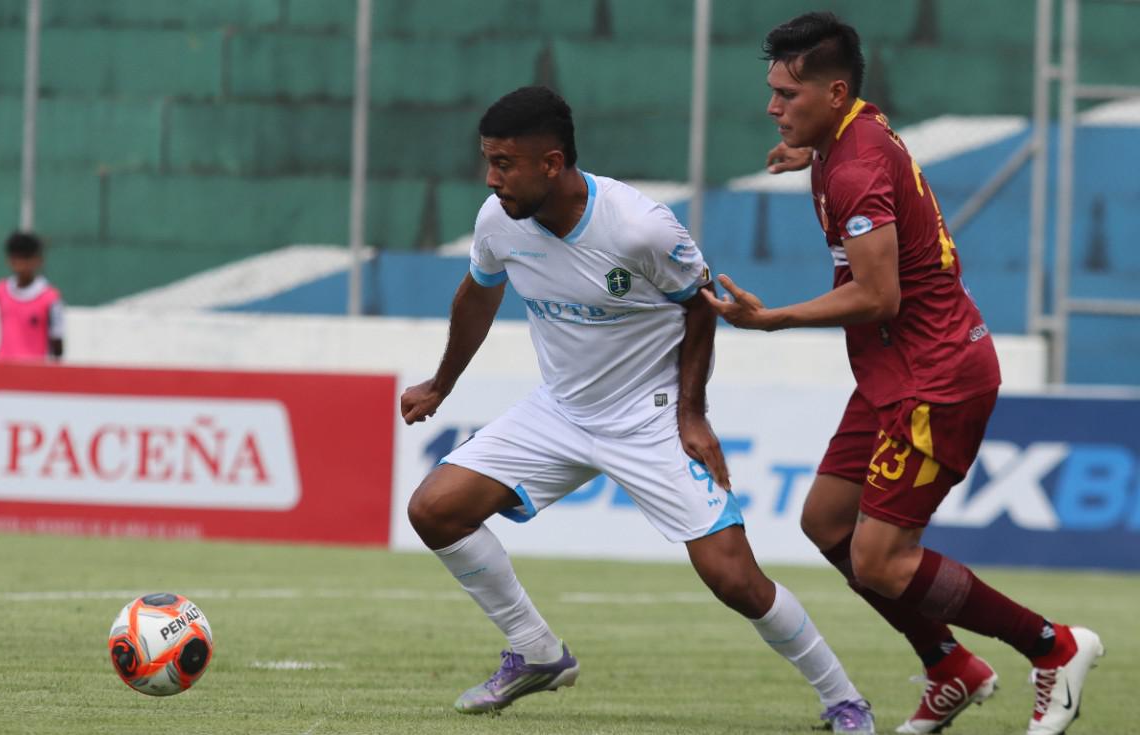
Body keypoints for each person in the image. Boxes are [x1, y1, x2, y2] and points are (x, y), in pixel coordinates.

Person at [400, 85, 876, 733]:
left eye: (504, 163)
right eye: (488, 160)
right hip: (559, 411)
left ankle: (843, 698)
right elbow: (477, 297)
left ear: (551, 162)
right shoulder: (497, 220)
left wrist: (692, 413)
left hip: (648, 416)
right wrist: (440, 384)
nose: (491, 178)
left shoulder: (639, 227)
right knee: (434, 509)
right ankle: (536, 650)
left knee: (734, 578)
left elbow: (700, 309)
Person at [702, 12, 1103, 735]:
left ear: (834, 91)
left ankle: (1054, 645)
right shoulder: (851, 130)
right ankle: (949, 665)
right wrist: (810, 153)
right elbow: (866, 158)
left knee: (883, 560)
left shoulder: (852, 164)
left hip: (935, 379)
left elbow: (877, 295)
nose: (772, 106)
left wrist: (775, 319)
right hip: (894, 372)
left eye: (787, 95)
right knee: (824, 519)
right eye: (772, 91)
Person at [0, 231, 64, 362]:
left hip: (34, 372)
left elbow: (57, 340)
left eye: (26, 257)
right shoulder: (0, 291)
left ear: (38, 260)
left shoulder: (50, 298)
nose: (21, 263)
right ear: (10, 260)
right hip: (2, 367)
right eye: (16, 257)